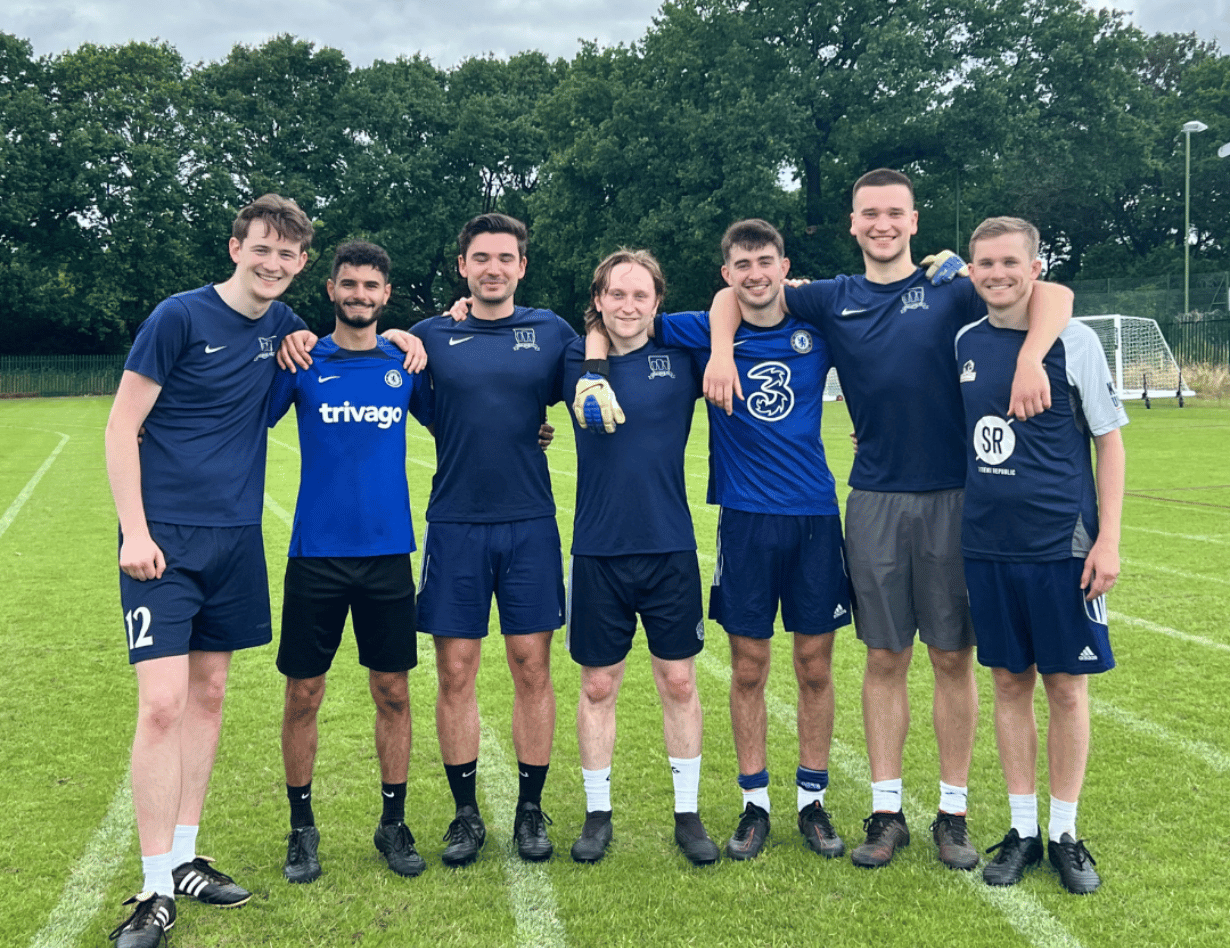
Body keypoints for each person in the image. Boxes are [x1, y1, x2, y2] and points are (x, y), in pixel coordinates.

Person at [704, 169, 1073, 870]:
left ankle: (954, 813)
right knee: (883, 656)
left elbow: (1050, 292)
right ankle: (885, 811)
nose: (881, 223)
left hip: (955, 495)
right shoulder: (832, 297)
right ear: (852, 223)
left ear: (912, 219)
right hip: (871, 497)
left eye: (893, 213)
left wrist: (1029, 355)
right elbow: (737, 291)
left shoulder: (951, 285)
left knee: (951, 656)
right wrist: (721, 351)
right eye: (869, 213)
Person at [580, 221, 852, 860]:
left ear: (784, 266)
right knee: (749, 667)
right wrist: (718, 349)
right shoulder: (699, 330)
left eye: (766, 261)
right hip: (744, 519)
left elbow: (883, 324)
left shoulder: (817, 321)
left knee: (815, 665)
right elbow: (614, 320)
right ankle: (755, 802)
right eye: (741, 264)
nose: (755, 274)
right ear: (725, 274)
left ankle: (811, 798)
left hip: (815, 514)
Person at [104, 194, 314, 948]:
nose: (274, 264)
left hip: (234, 540)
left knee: (210, 695)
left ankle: (187, 855)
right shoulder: (178, 318)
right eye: (263, 248)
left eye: (288, 255)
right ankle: (154, 887)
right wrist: (134, 531)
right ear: (236, 246)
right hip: (163, 544)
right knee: (161, 704)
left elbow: (324, 336)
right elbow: (121, 426)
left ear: (299, 264)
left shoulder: (284, 326)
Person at [956, 217, 1125, 894]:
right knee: (1007, 683)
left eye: (1008, 262)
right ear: (970, 272)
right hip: (988, 544)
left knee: (1066, 687)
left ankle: (1065, 831)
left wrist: (1109, 538)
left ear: (1034, 268)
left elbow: (1109, 441)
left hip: (1065, 544)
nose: (995, 273)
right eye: (983, 263)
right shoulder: (964, 340)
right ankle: (1022, 828)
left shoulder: (1073, 341)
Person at [408, 213, 575, 865]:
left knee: (532, 665)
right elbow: (404, 391)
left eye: (505, 257)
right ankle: (466, 815)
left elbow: (590, 385)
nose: (493, 268)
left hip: (530, 522)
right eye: (481, 257)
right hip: (455, 524)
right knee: (455, 670)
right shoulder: (430, 336)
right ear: (463, 266)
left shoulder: (550, 331)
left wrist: (539, 425)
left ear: (522, 267)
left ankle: (531, 811)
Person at [268, 240, 434, 884]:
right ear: (332, 290)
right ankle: (301, 829)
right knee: (304, 692)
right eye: (349, 285)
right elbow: (240, 418)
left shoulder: (403, 363)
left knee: (393, 691)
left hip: (389, 555)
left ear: (386, 295)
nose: (360, 295)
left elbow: (460, 423)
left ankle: (392, 823)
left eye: (371, 286)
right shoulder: (303, 361)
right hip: (316, 556)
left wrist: (534, 430)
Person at [564, 250, 720, 866]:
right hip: (598, 549)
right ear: (597, 299)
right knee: (599, 684)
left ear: (658, 303)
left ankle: (687, 814)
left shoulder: (683, 355)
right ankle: (597, 813)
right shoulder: (569, 360)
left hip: (669, 545)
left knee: (678, 680)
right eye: (616, 294)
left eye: (640, 295)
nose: (628, 305)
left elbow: (746, 307)